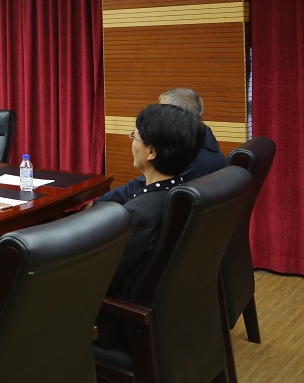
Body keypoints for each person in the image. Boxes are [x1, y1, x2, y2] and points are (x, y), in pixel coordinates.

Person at [96, 103, 206, 347]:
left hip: (114, 324)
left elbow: (101, 279)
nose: (132, 142)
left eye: (134, 136)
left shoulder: (139, 214)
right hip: (170, 318)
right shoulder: (183, 194)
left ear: (151, 152)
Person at [95, 88, 227, 204]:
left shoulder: (187, 155)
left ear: (176, 116)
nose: (157, 116)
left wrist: (97, 204)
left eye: (162, 111)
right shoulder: (207, 144)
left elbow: (140, 188)